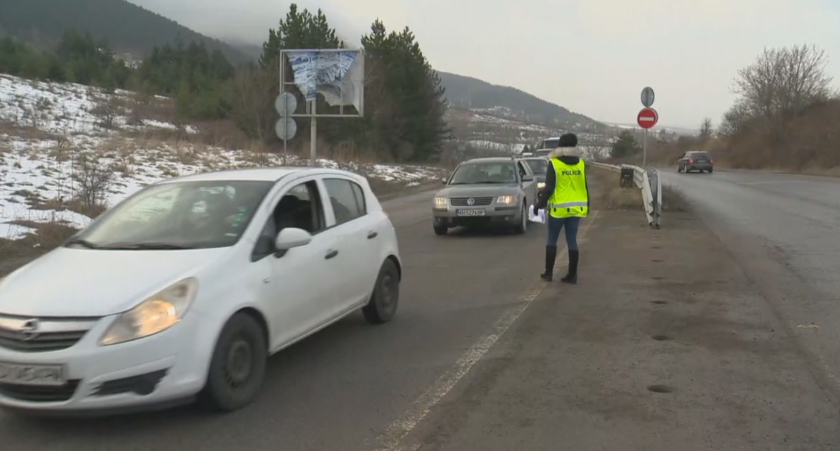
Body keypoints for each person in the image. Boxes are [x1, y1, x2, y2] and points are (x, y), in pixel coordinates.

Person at [534, 133, 589, 283]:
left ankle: (549, 273)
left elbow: (549, 188)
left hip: (559, 209)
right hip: (577, 208)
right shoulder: (581, 163)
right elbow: (584, 186)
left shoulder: (555, 163)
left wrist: (539, 205)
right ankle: (572, 275)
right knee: (572, 239)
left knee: (552, 239)